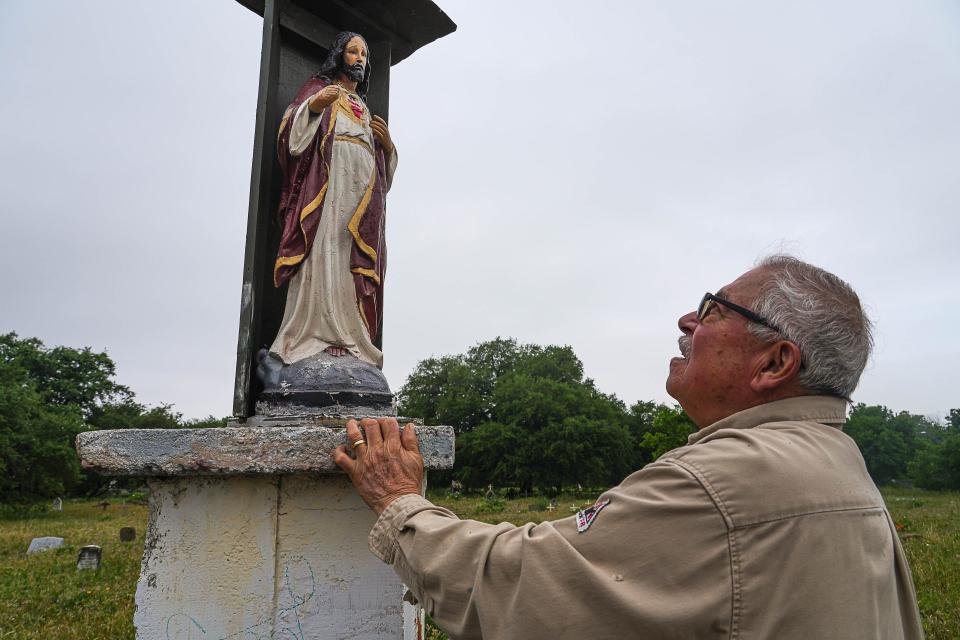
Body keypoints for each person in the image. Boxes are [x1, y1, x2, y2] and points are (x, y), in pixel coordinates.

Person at [333, 255, 924, 639]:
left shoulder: (724, 482)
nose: (687, 321)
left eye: (714, 311)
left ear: (775, 362)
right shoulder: (843, 467)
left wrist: (400, 505)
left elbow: (516, 587)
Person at [269, 32, 397, 369]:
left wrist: (386, 147)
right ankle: (317, 333)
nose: (359, 59)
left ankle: (351, 337)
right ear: (339, 56)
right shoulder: (320, 91)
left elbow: (385, 175)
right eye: (352, 52)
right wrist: (314, 107)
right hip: (327, 185)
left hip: (362, 195)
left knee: (350, 259)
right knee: (323, 250)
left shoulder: (364, 108)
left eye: (364, 55)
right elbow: (290, 140)